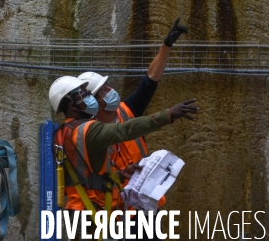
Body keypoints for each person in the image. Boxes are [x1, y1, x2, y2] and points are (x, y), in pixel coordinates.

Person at [77, 17, 189, 237]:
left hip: (147, 206)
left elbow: (150, 81)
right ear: (91, 102)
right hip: (116, 215)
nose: (111, 90)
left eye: (108, 86)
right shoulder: (88, 133)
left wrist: (166, 46)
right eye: (104, 90)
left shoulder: (124, 111)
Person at [49, 74, 198, 222]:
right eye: (83, 94)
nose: (89, 96)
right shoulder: (88, 130)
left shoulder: (61, 134)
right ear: (72, 105)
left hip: (78, 213)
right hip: (95, 213)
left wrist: (119, 175)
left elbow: (85, 176)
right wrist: (168, 115)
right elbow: (125, 129)